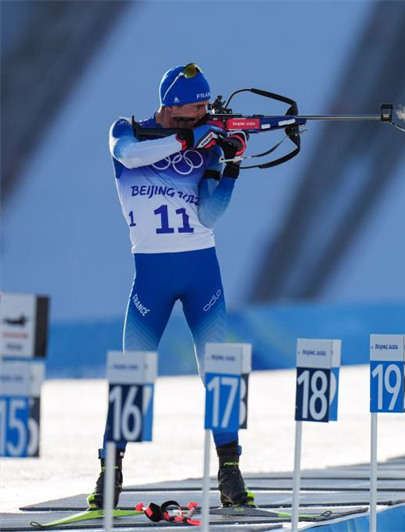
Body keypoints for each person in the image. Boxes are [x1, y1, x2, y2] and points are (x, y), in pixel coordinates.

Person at [88, 63, 253, 509]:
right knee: (133, 374)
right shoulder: (126, 130)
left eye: (205, 107)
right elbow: (128, 155)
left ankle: (230, 469)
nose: (203, 113)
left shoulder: (207, 143)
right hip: (152, 277)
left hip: (202, 274)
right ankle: (110, 472)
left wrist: (231, 164)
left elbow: (209, 216)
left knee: (218, 371)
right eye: (196, 107)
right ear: (173, 106)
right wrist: (188, 140)